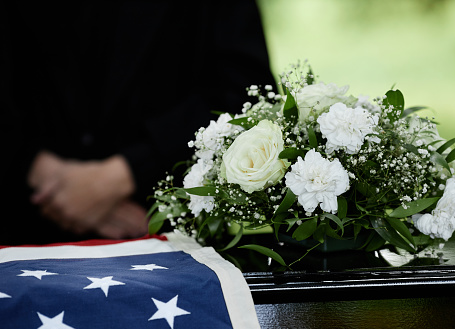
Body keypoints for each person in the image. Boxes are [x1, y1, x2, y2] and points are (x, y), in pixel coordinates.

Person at [0, 1, 277, 245]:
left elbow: (244, 96)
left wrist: (122, 175)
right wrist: (37, 168)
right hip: (20, 227)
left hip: (164, 232)